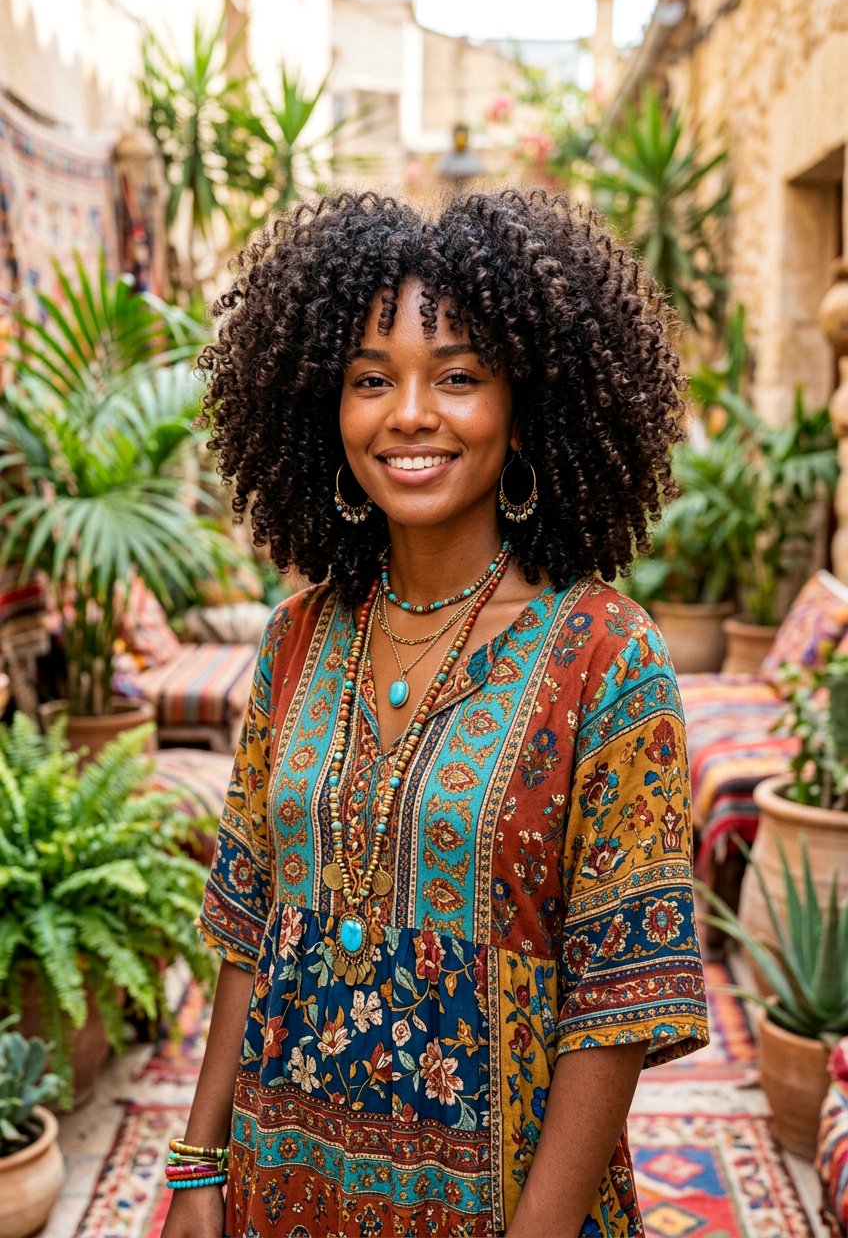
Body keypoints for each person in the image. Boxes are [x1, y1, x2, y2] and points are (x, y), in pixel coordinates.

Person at [161, 189, 709, 1238]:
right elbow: (247, 920)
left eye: (456, 376)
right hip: (283, 1189)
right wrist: (198, 1163)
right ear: (325, 405)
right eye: (371, 380)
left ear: (526, 400)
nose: (408, 413)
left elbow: (617, 1005)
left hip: (495, 1206)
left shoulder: (604, 658)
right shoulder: (296, 640)